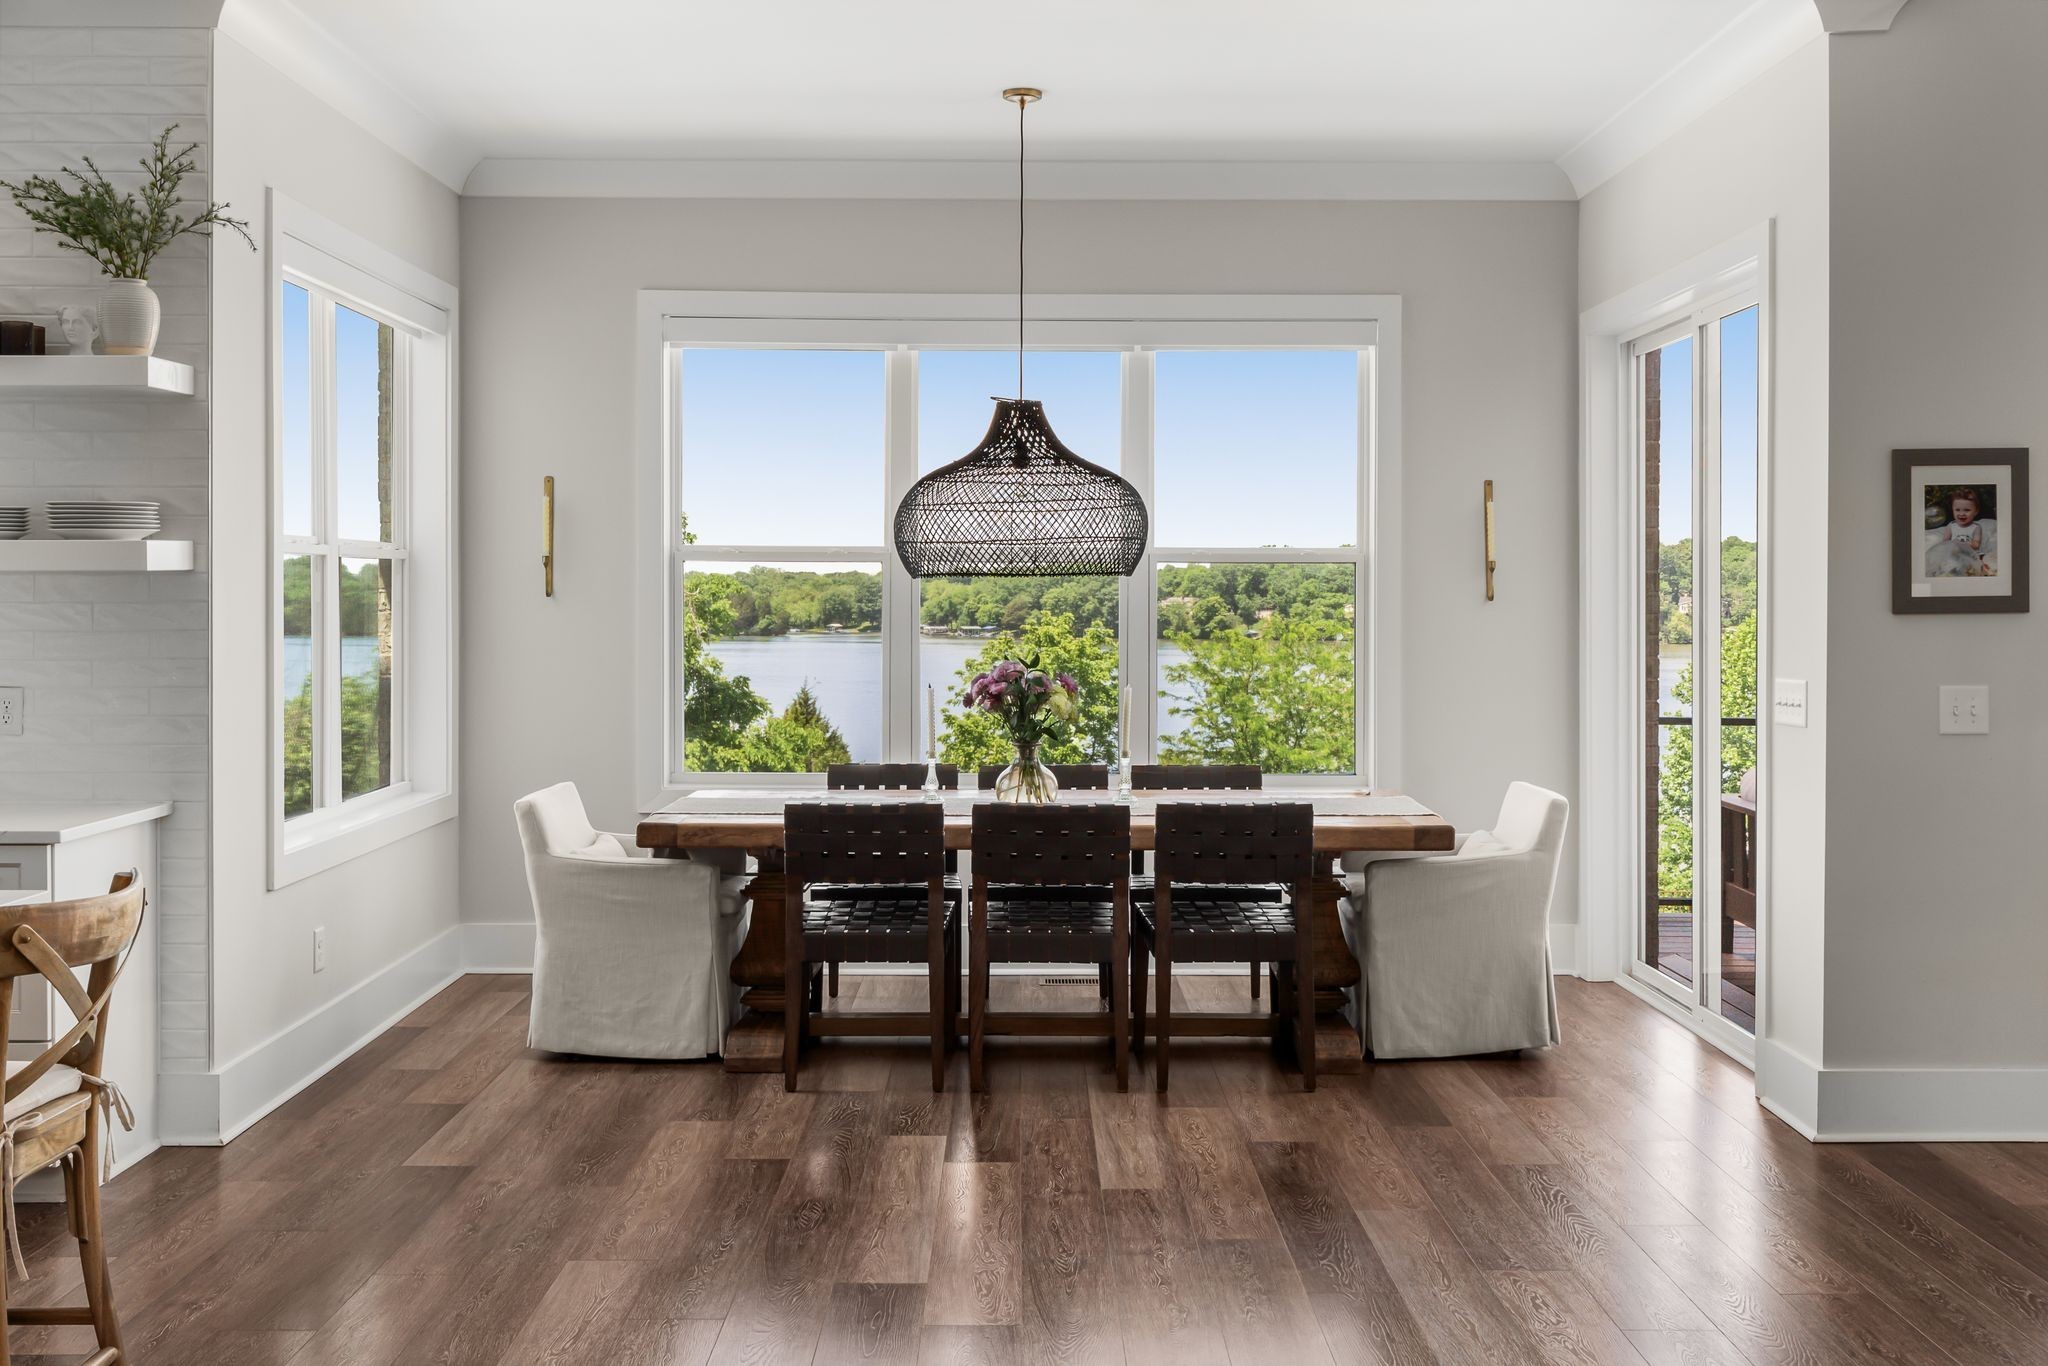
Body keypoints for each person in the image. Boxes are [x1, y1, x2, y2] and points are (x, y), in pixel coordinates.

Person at [1925, 489, 1997, 577]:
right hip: (1954, 554)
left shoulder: (1976, 527)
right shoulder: (1951, 526)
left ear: (1975, 511)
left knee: (1983, 561)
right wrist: (1952, 546)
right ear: (1953, 510)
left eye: (1967, 510)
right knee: (1945, 565)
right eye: (1957, 510)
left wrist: (1964, 544)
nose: (1961, 513)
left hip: (1970, 555)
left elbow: (1976, 545)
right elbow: (1945, 543)